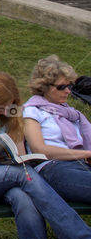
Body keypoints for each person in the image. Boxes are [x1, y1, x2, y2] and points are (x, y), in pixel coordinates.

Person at [0, 72, 91, 239]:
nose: (3, 112)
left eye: (7, 106)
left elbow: (20, 156)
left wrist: (19, 147)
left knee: (24, 198)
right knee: (23, 174)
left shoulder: (11, 110)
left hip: (9, 177)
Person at [23, 55, 91, 204]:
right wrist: (86, 153)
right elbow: (39, 149)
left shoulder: (70, 113)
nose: (68, 91)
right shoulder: (32, 111)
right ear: (44, 87)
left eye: (70, 86)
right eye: (62, 87)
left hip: (82, 165)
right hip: (54, 168)